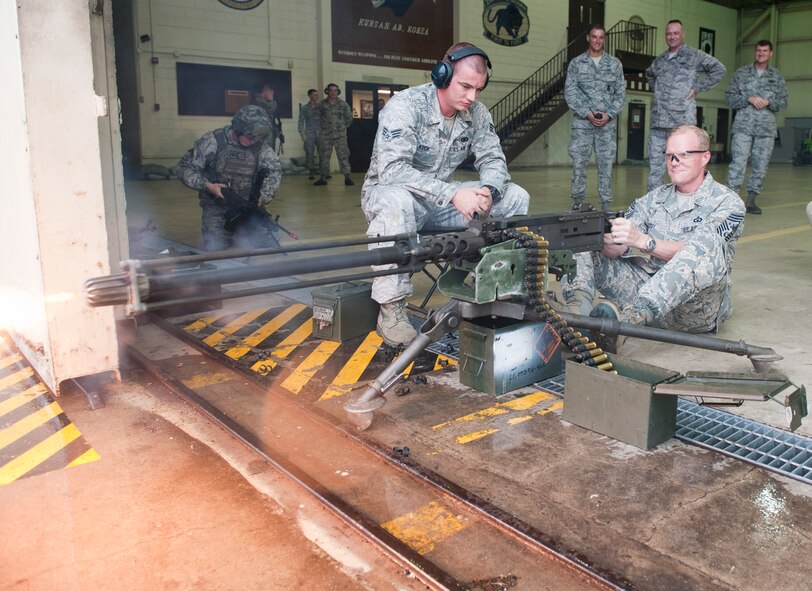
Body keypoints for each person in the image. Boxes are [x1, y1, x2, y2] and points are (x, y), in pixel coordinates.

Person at [362, 42, 530, 347]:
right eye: (465, 86)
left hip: (438, 203)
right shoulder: (405, 106)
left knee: (515, 196)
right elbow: (392, 170)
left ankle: (494, 287)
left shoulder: (476, 113)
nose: (472, 96)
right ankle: (391, 310)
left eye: (478, 88)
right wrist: (453, 193)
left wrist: (489, 190)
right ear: (442, 75)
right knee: (398, 201)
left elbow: (493, 160)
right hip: (393, 197)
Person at [562, 125, 745, 351]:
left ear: (705, 157)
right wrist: (602, 237)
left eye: (684, 155)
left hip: (691, 311)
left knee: (709, 243)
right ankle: (576, 318)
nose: (674, 162)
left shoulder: (728, 203)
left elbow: (700, 252)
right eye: (669, 156)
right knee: (582, 237)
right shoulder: (655, 198)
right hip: (645, 293)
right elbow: (618, 246)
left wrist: (644, 241)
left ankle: (625, 325)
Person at [176, 105, 282, 252]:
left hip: (248, 207)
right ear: (238, 129)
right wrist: (208, 186)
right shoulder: (214, 142)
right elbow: (184, 168)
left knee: (267, 241)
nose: (254, 141)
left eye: (258, 138)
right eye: (250, 137)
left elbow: (274, 174)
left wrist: (260, 200)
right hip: (218, 206)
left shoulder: (261, 147)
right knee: (215, 243)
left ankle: (241, 231)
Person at [646, 20, 726, 192]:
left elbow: (719, 69)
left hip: (682, 121)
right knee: (655, 169)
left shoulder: (694, 56)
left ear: (683, 34)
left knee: (685, 167)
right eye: (669, 33)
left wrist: (698, 88)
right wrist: (659, 93)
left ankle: (687, 202)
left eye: (676, 33)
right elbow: (649, 75)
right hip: (659, 122)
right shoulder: (659, 60)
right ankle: (653, 203)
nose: (672, 36)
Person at [564, 23, 626, 212]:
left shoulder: (614, 64)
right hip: (582, 125)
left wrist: (610, 114)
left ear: (604, 39)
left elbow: (620, 94)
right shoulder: (576, 64)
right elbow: (570, 93)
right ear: (588, 38)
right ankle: (577, 204)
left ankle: (606, 206)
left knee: (606, 166)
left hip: (606, 126)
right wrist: (587, 113)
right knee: (579, 165)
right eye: (594, 36)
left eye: (601, 37)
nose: (597, 40)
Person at [725, 40, 788, 215]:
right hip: (743, 127)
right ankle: (731, 201)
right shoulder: (741, 73)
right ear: (755, 52)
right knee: (738, 164)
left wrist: (769, 101)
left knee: (760, 166)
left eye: (765, 51)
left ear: (770, 53)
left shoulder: (776, 76)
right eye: (758, 50)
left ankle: (751, 201)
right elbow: (729, 97)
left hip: (766, 130)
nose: (761, 53)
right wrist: (748, 98)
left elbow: (784, 102)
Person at [314, 83, 354, 186]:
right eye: (331, 90)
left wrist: (341, 128)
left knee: (343, 155)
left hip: (340, 136)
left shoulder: (343, 105)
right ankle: (323, 178)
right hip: (325, 136)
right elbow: (317, 119)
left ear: (338, 92)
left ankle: (347, 177)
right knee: (324, 157)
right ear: (327, 91)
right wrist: (320, 131)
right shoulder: (321, 105)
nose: (333, 93)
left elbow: (349, 119)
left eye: (335, 90)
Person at [298, 88, 321, 179]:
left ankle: (323, 172)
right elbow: (301, 122)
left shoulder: (321, 107)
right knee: (309, 153)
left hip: (320, 133)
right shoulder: (305, 108)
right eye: (315, 95)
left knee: (322, 153)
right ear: (310, 96)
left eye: (317, 95)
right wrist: (302, 134)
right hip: (309, 133)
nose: (317, 97)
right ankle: (311, 172)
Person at [254, 84, 281, 151]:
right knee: (264, 150)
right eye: (271, 92)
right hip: (260, 129)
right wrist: (271, 100)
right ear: (265, 91)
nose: (272, 94)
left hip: (267, 129)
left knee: (270, 151)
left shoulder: (266, 101)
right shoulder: (258, 100)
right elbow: (271, 108)